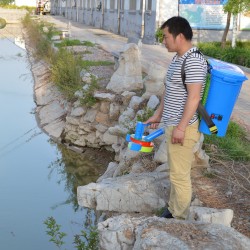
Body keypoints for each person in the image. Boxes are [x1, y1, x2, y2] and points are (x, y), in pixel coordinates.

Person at [145, 16, 207, 220]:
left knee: (180, 175)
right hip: (173, 124)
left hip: (184, 127)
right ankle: (173, 209)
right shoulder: (178, 59)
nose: (163, 41)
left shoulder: (194, 61)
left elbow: (194, 97)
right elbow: (169, 90)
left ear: (179, 36)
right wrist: (157, 114)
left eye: (166, 36)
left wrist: (180, 128)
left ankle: (179, 218)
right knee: (175, 172)